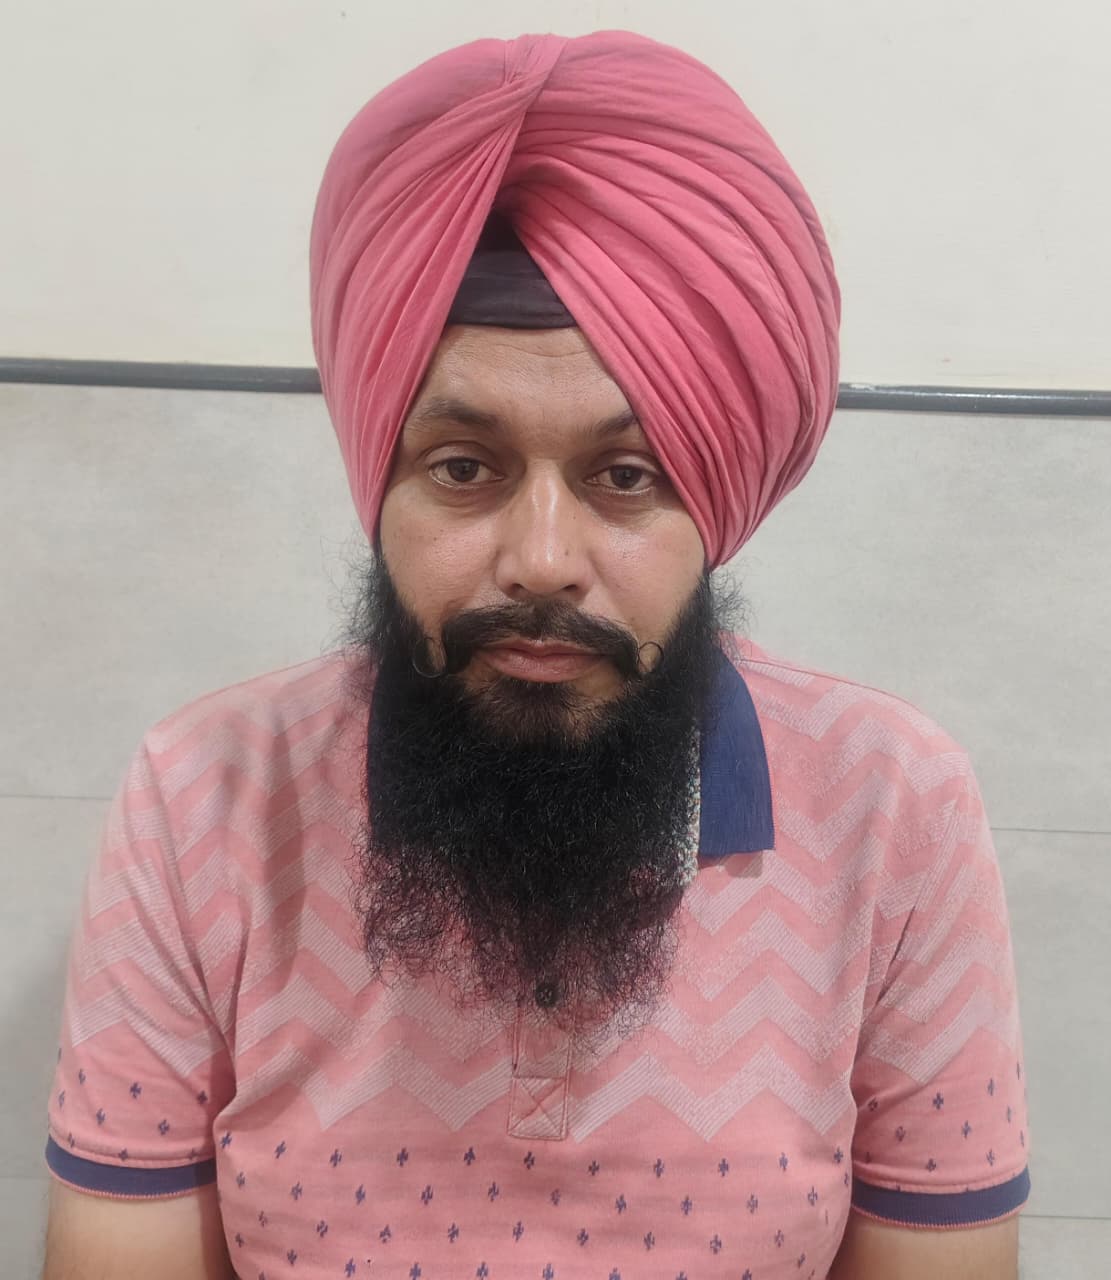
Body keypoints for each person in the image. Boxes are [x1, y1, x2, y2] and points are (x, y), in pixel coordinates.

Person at [41, 29, 1030, 1280]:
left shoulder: (895, 803)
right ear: (381, 478)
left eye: (628, 475)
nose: (543, 559)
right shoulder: (202, 794)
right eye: (465, 467)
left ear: (714, 499)